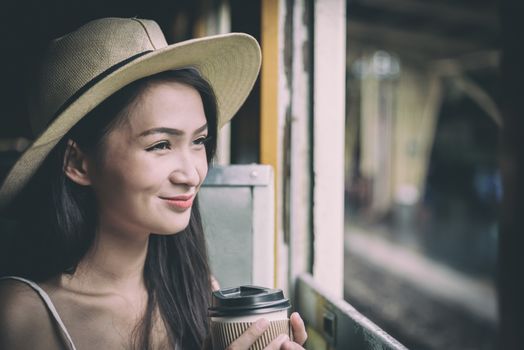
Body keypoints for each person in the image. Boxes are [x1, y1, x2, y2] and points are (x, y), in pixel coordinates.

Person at [0, 17, 307, 349]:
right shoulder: (21, 315)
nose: (191, 175)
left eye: (199, 141)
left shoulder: (199, 293)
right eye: (161, 145)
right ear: (77, 163)